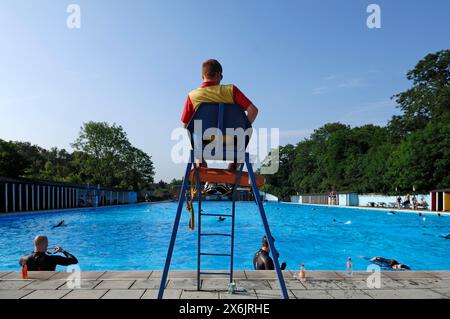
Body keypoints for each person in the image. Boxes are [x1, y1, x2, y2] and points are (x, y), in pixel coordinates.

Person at [181, 59, 259, 170]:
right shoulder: (231, 90)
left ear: (203, 76)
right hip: (232, 141)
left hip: (204, 143)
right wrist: (242, 128)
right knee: (244, 133)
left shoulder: (192, 96)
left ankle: (201, 165)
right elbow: (253, 111)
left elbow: (185, 125)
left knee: (193, 135)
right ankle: (232, 169)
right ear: (218, 75)